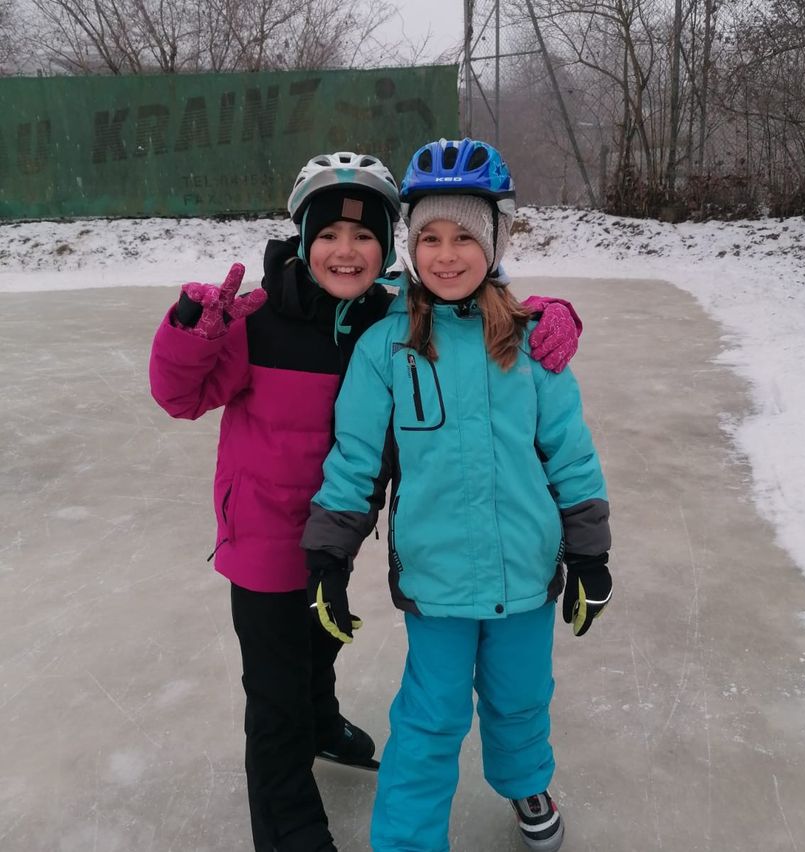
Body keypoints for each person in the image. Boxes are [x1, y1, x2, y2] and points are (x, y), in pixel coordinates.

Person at [148, 149, 584, 852]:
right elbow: (179, 395)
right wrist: (190, 331)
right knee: (277, 695)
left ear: (387, 248)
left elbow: (475, 314)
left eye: (365, 236)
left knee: (316, 656)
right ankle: (292, 827)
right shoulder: (259, 321)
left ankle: (324, 722)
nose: (345, 251)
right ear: (302, 240)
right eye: (328, 235)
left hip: (338, 533)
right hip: (267, 536)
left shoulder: (392, 317)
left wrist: (551, 313)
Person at [301, 138, 613, 852]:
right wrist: (328, 560)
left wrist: (590, 556)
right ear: (410, 247)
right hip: (437, 582)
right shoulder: (386, 348)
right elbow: (354, 464)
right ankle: (408, 840)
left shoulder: (535, 346)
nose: (446, 255)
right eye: (429, 237)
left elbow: (570, 455)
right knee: (430, 718)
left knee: (521, 700)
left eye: (465, 236)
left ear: (496, 241)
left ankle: (526, 780)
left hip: (528, 576)